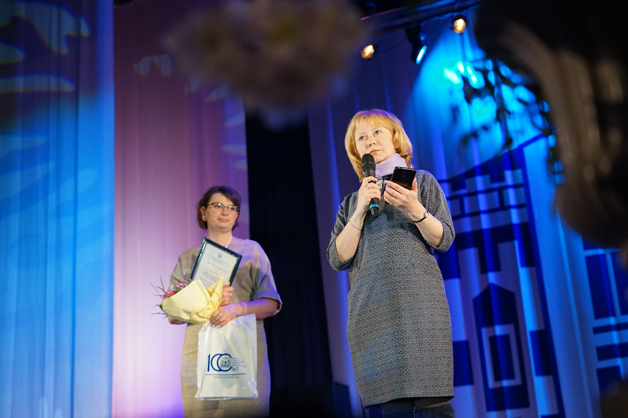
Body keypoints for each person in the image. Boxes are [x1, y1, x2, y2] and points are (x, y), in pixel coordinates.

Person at [327, 109, 456, 418]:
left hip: (420, 308)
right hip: (372, 311)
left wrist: (414, 208)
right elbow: (337, 259)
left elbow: (444, 239)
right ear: (356, 150)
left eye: (377, 133)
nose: (370, 141)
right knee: (392, 410)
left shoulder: (421, 182)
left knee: (434, 405)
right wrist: (359, 211)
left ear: (395, 139)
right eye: (362, 137)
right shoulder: (351, 202)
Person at [168, 185, 282, 418]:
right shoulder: (188, 259)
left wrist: (235, 309)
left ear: (237, 215)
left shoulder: (252, 250)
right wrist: (206, 303)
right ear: (203, 212)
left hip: (243, 355)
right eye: (217, 205)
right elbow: (173, 315)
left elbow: (271, 303)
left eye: (232, 208)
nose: (225, 211)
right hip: (199, 358)